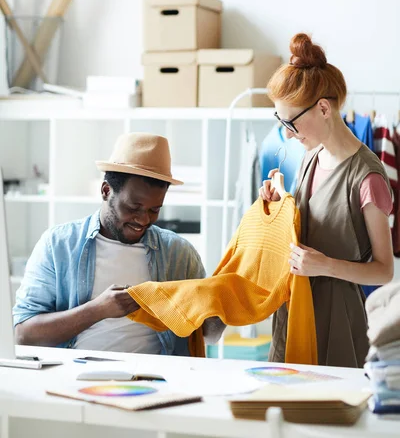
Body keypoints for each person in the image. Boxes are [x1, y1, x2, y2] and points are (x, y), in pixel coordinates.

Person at [13, 132, 217, 356]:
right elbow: (23, 334)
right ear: (106, 191)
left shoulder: (178, 253)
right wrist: (98, 310)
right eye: (133, 207)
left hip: (157, 380)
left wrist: (231, 293)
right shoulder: (58, 245)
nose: (143, 220)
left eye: (154, 210)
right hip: (75, 375)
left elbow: (209, 333)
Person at [260, 33, 394, 368]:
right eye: (281, 122)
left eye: (290, 123)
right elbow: (310, 226)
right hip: (294, 308)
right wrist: (278, 206)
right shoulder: (311, 155)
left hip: (337, 320)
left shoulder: (367, 177)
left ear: (323, 108)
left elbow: (384, 271)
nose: (287, 134)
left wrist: (326, 266)